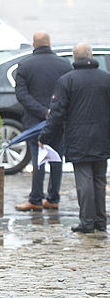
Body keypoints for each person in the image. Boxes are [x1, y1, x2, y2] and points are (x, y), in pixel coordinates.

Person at [40, 43, 110, 233]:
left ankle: (87, 222)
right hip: (103, 137)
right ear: (92, 55)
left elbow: (57, 113)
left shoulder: (67, 80)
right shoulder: (106, 78)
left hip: (78, 137)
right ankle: (100, 221)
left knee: (84, 181)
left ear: (73, 58)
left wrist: (45, 136)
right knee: (99, 180)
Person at [14, 31, 71, 212]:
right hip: (59, 120)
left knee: (38, 160)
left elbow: (22, 95)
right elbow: (69, 94)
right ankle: (53, 198)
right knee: (56, 159)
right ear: (49, 43)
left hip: (34, 120)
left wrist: (42, 111)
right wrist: (54, 112)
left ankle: (36, 199)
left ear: (34, 44)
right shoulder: (65, 65)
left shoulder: (25, 65)